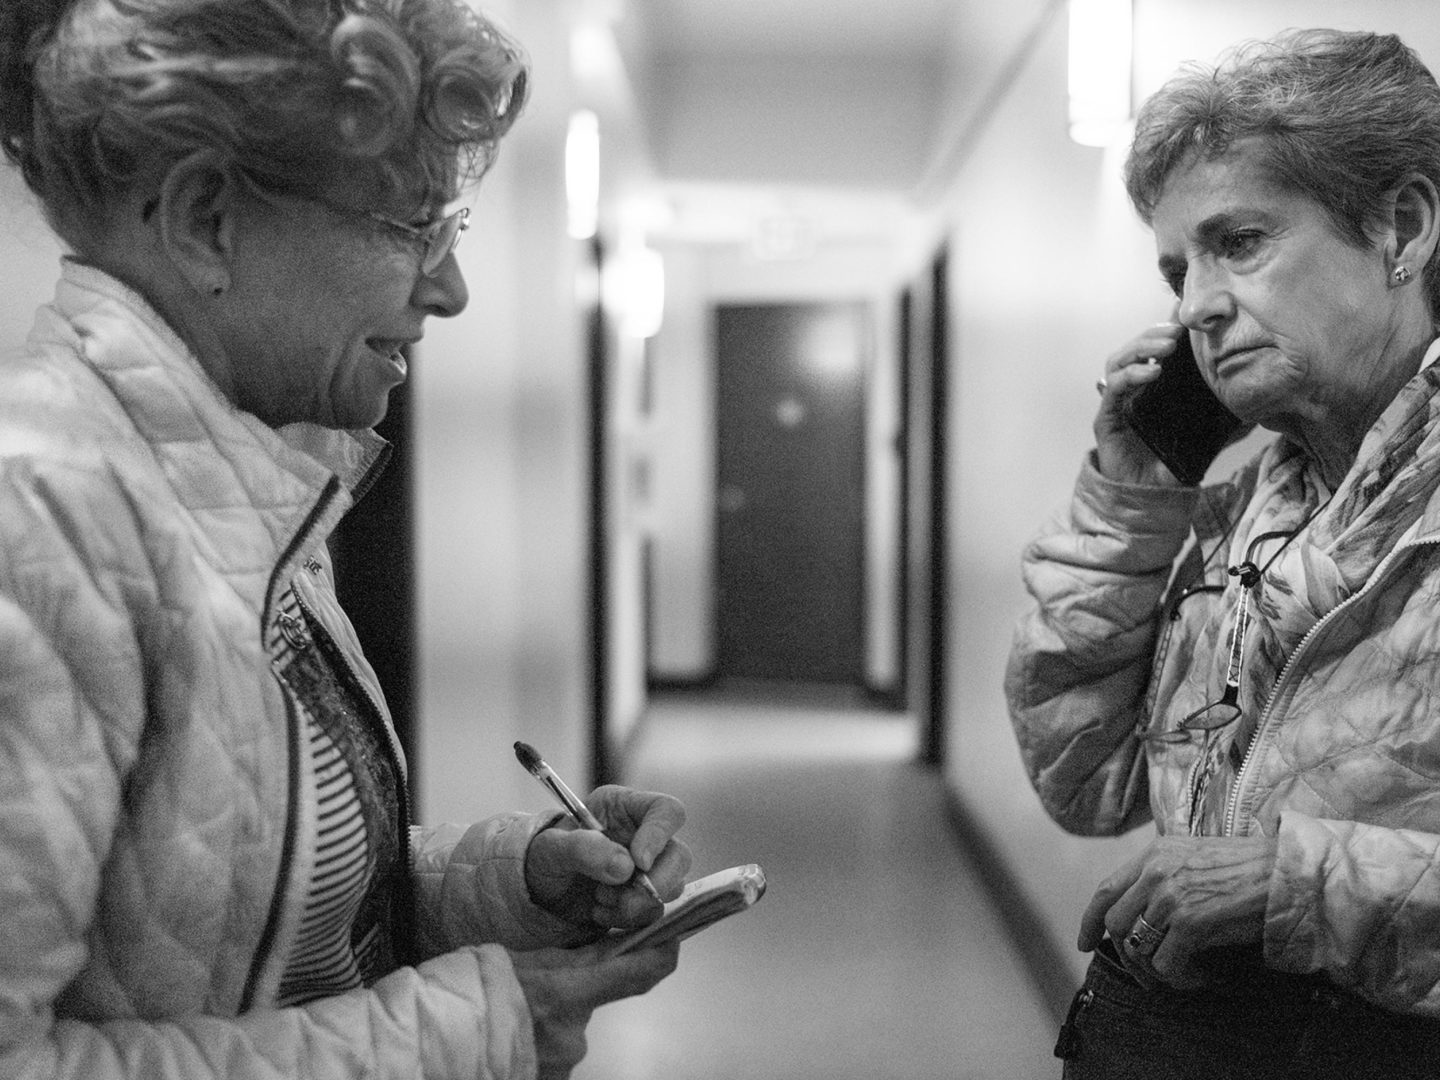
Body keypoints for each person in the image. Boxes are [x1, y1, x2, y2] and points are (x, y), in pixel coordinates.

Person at [0, 2, 692, 1078]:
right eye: (413, 227)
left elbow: (248, 903)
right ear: (206, 222)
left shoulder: (247, 487)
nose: (452, 289)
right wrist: (481, 1031)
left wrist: (516, 879)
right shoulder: (39, 519)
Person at [1006, 28, 1440, 1079]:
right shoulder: (1236, 510)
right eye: (1176, 266)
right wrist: (1128, 500)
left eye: (1238, 241)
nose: (1194, 302)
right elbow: (1087, 781)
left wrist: (1289, 880)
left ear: (1404, 225)